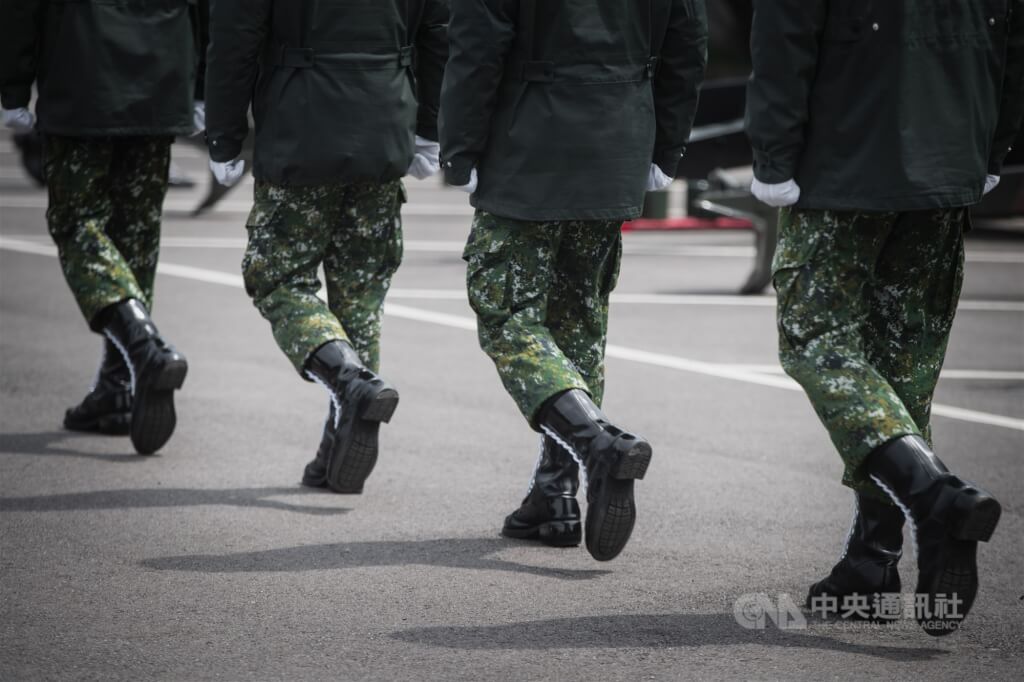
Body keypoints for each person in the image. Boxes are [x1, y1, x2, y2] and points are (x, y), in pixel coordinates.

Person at [746, 0, 1023, 634]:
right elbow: (1012, 42)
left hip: (846, 162)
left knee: (816, 342)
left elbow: (785, 38)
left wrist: (774, 158)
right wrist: (990, 148)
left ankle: (934, 498)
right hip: (949, 157)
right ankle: (871, 561)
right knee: (903, 367)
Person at [440, 0, 708, 561]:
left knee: (509, 316)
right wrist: (667, 145)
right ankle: (554, 491)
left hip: (529, 143)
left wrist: (461, 148)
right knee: (580, 320)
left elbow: (477, 45)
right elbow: (688, 39)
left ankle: (596, 446)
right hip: (618, 136)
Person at [204, 0, 448, 493]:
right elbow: (439, 34)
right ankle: (338, 447)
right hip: (385, 122)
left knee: (277, 278)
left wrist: (224, 137)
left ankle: (349, 382)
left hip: (302, 127)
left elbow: (234, 42)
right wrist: (428, 130)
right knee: (361, 292)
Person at [0, 0, 206, 454]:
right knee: (136, 236)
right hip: (163, 74)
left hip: (83, 74)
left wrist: (12, 88)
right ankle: (116, 387)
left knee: (78, 224)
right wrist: (202, 86)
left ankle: (143, 346)